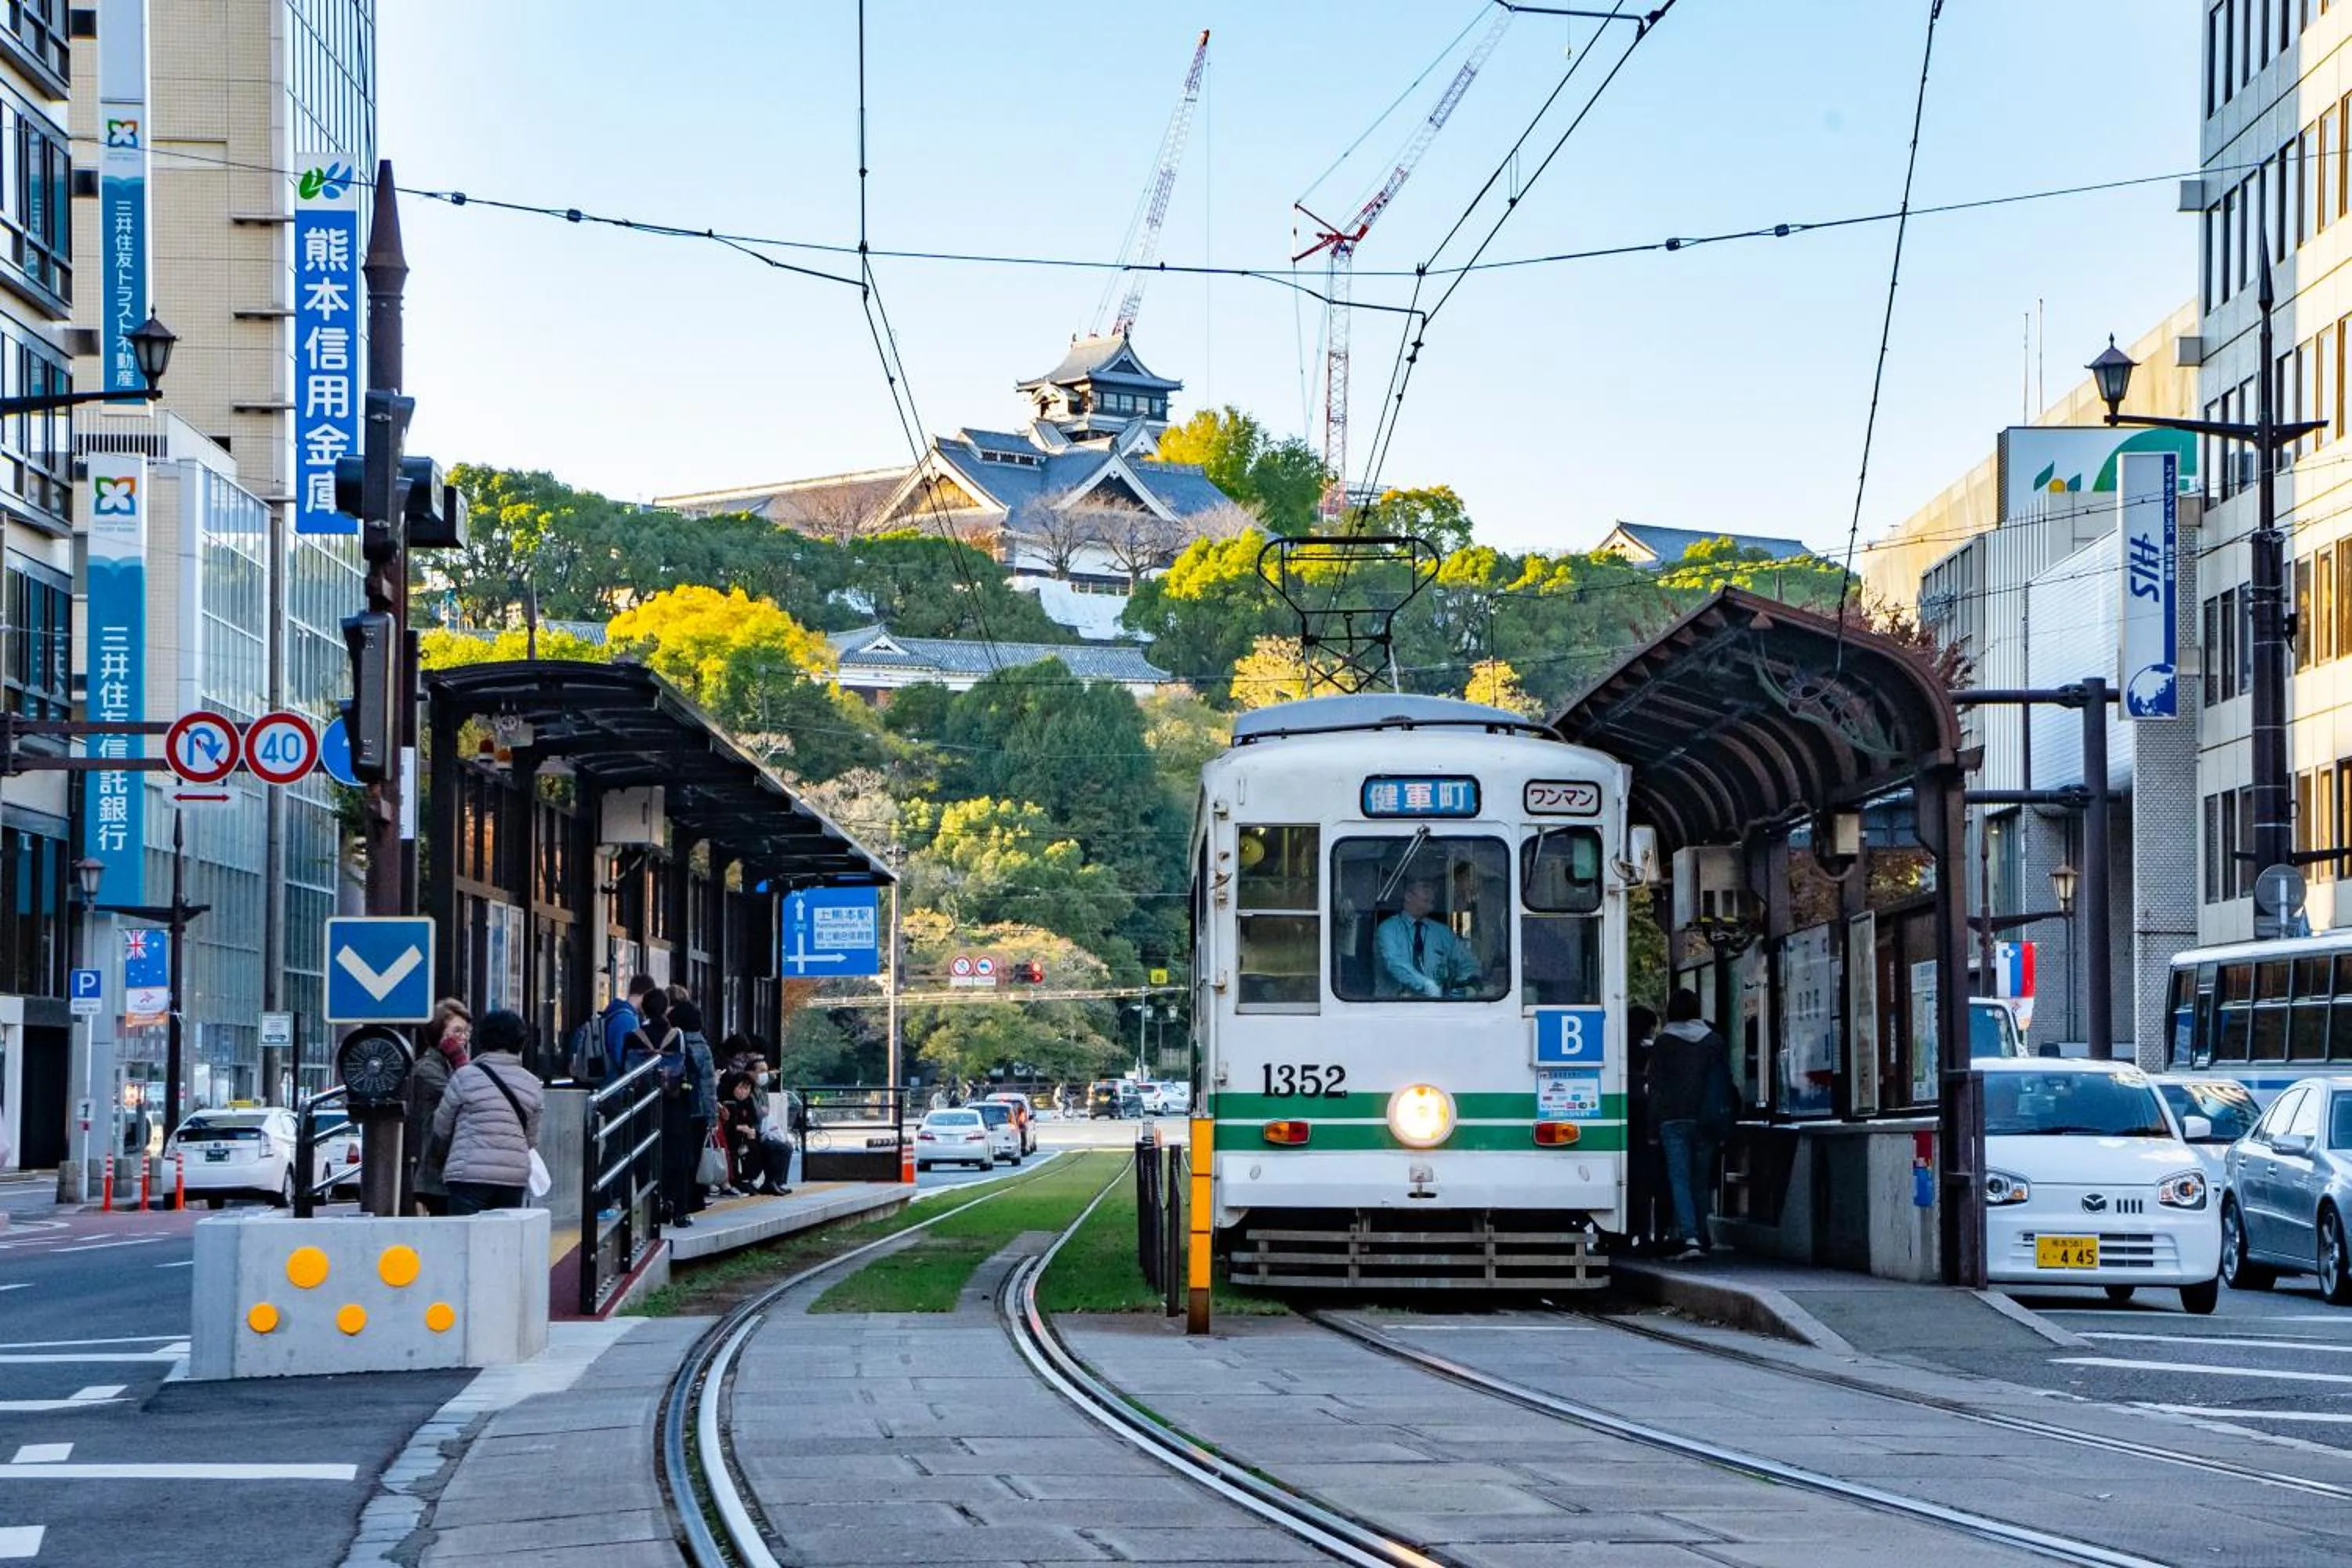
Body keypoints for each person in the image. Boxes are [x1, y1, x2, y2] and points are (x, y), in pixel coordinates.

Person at [1647, 989, 1737, 1260]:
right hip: (1707, 1119)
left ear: (1670, 1011)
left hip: (1673, 1119)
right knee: (1700, 1180)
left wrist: (1652, 1129)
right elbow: (1725, 1082)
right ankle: (1703, 1234)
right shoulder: (1714, 1041)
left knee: (1679, 1179)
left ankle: (1690, 1237)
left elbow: (1656, 1088)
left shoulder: (1663, 1043)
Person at [430, 1009, 544, 1215]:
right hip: (512, 1176)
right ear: (521, 1043)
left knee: (464, 1242)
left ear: (482, 1039)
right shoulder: (533, 1084)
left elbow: (441, 1127)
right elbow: (530, 1140)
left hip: (468, 1175)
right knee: (503, 1241)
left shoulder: (465, 1077)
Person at [624, 989, 701, 1227]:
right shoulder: (677, 1036)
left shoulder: (634, 1036)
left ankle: (650, 1211)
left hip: (643, 1105)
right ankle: (678, 1209)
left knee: (645, 1157)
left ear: (643, 1009)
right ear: (667, 1008)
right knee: (676, 1158)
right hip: (674, 1105)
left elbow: (623, 1069)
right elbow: (692, 1069)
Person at [405, 997, 470, 1216]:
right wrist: (461, 1060)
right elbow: (465, 1095)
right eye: (457, 1031)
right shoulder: (427, 1069)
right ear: (439, 1033)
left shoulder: (449, 1066)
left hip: (451, 1166)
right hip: (436, 1170)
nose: (463, 1038)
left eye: (466, 1032)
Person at [1375, 877, 1481, 998]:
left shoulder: (1442, 932)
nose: (1432, 891)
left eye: (1433, 888)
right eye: (1426, 887)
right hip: (1392, 1007)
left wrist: (1464, 985)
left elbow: (1468, 962)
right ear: (1408, 896)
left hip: (1436, 1007)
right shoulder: (1388, 929)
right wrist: (1426, 985)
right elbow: (1394, 962)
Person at [672, 996, 719, 1213]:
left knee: (677, 1156)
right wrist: (712, 1116)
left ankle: (674, 1199)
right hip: (698, 1108)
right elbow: (709, 1084)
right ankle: (693, 1199)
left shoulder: (671, 1041)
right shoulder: (702, 1046)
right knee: (695, 1158)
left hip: (675, 1108)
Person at [1623, 1004, 1662, 1252]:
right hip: (1644, 1122)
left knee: (1627, 1181)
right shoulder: (1649, 1053)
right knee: (1645, 1183)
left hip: (1622, 1119)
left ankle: (1621, 1234)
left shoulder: (1617, 1048)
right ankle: (1645, 1234)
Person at [720, 1071, 791, 1194]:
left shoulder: (749, 1103)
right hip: (734, 1139)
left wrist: (752, 1131)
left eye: (747, 1089)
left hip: (752, 1136)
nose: (744, 1092)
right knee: (759, 1148)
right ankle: (744, 1180)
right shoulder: (726, 1102)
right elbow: (726, 1125)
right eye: (741, 1088)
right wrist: (740, 1128)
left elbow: (755, 1122)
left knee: (782, 1147)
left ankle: (774, 1181)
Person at [603, 973, 658, 1080]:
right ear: (645, 995)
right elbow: (624, 1059)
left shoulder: (618, 1013)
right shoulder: (627, 1020)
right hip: (616, 1084)